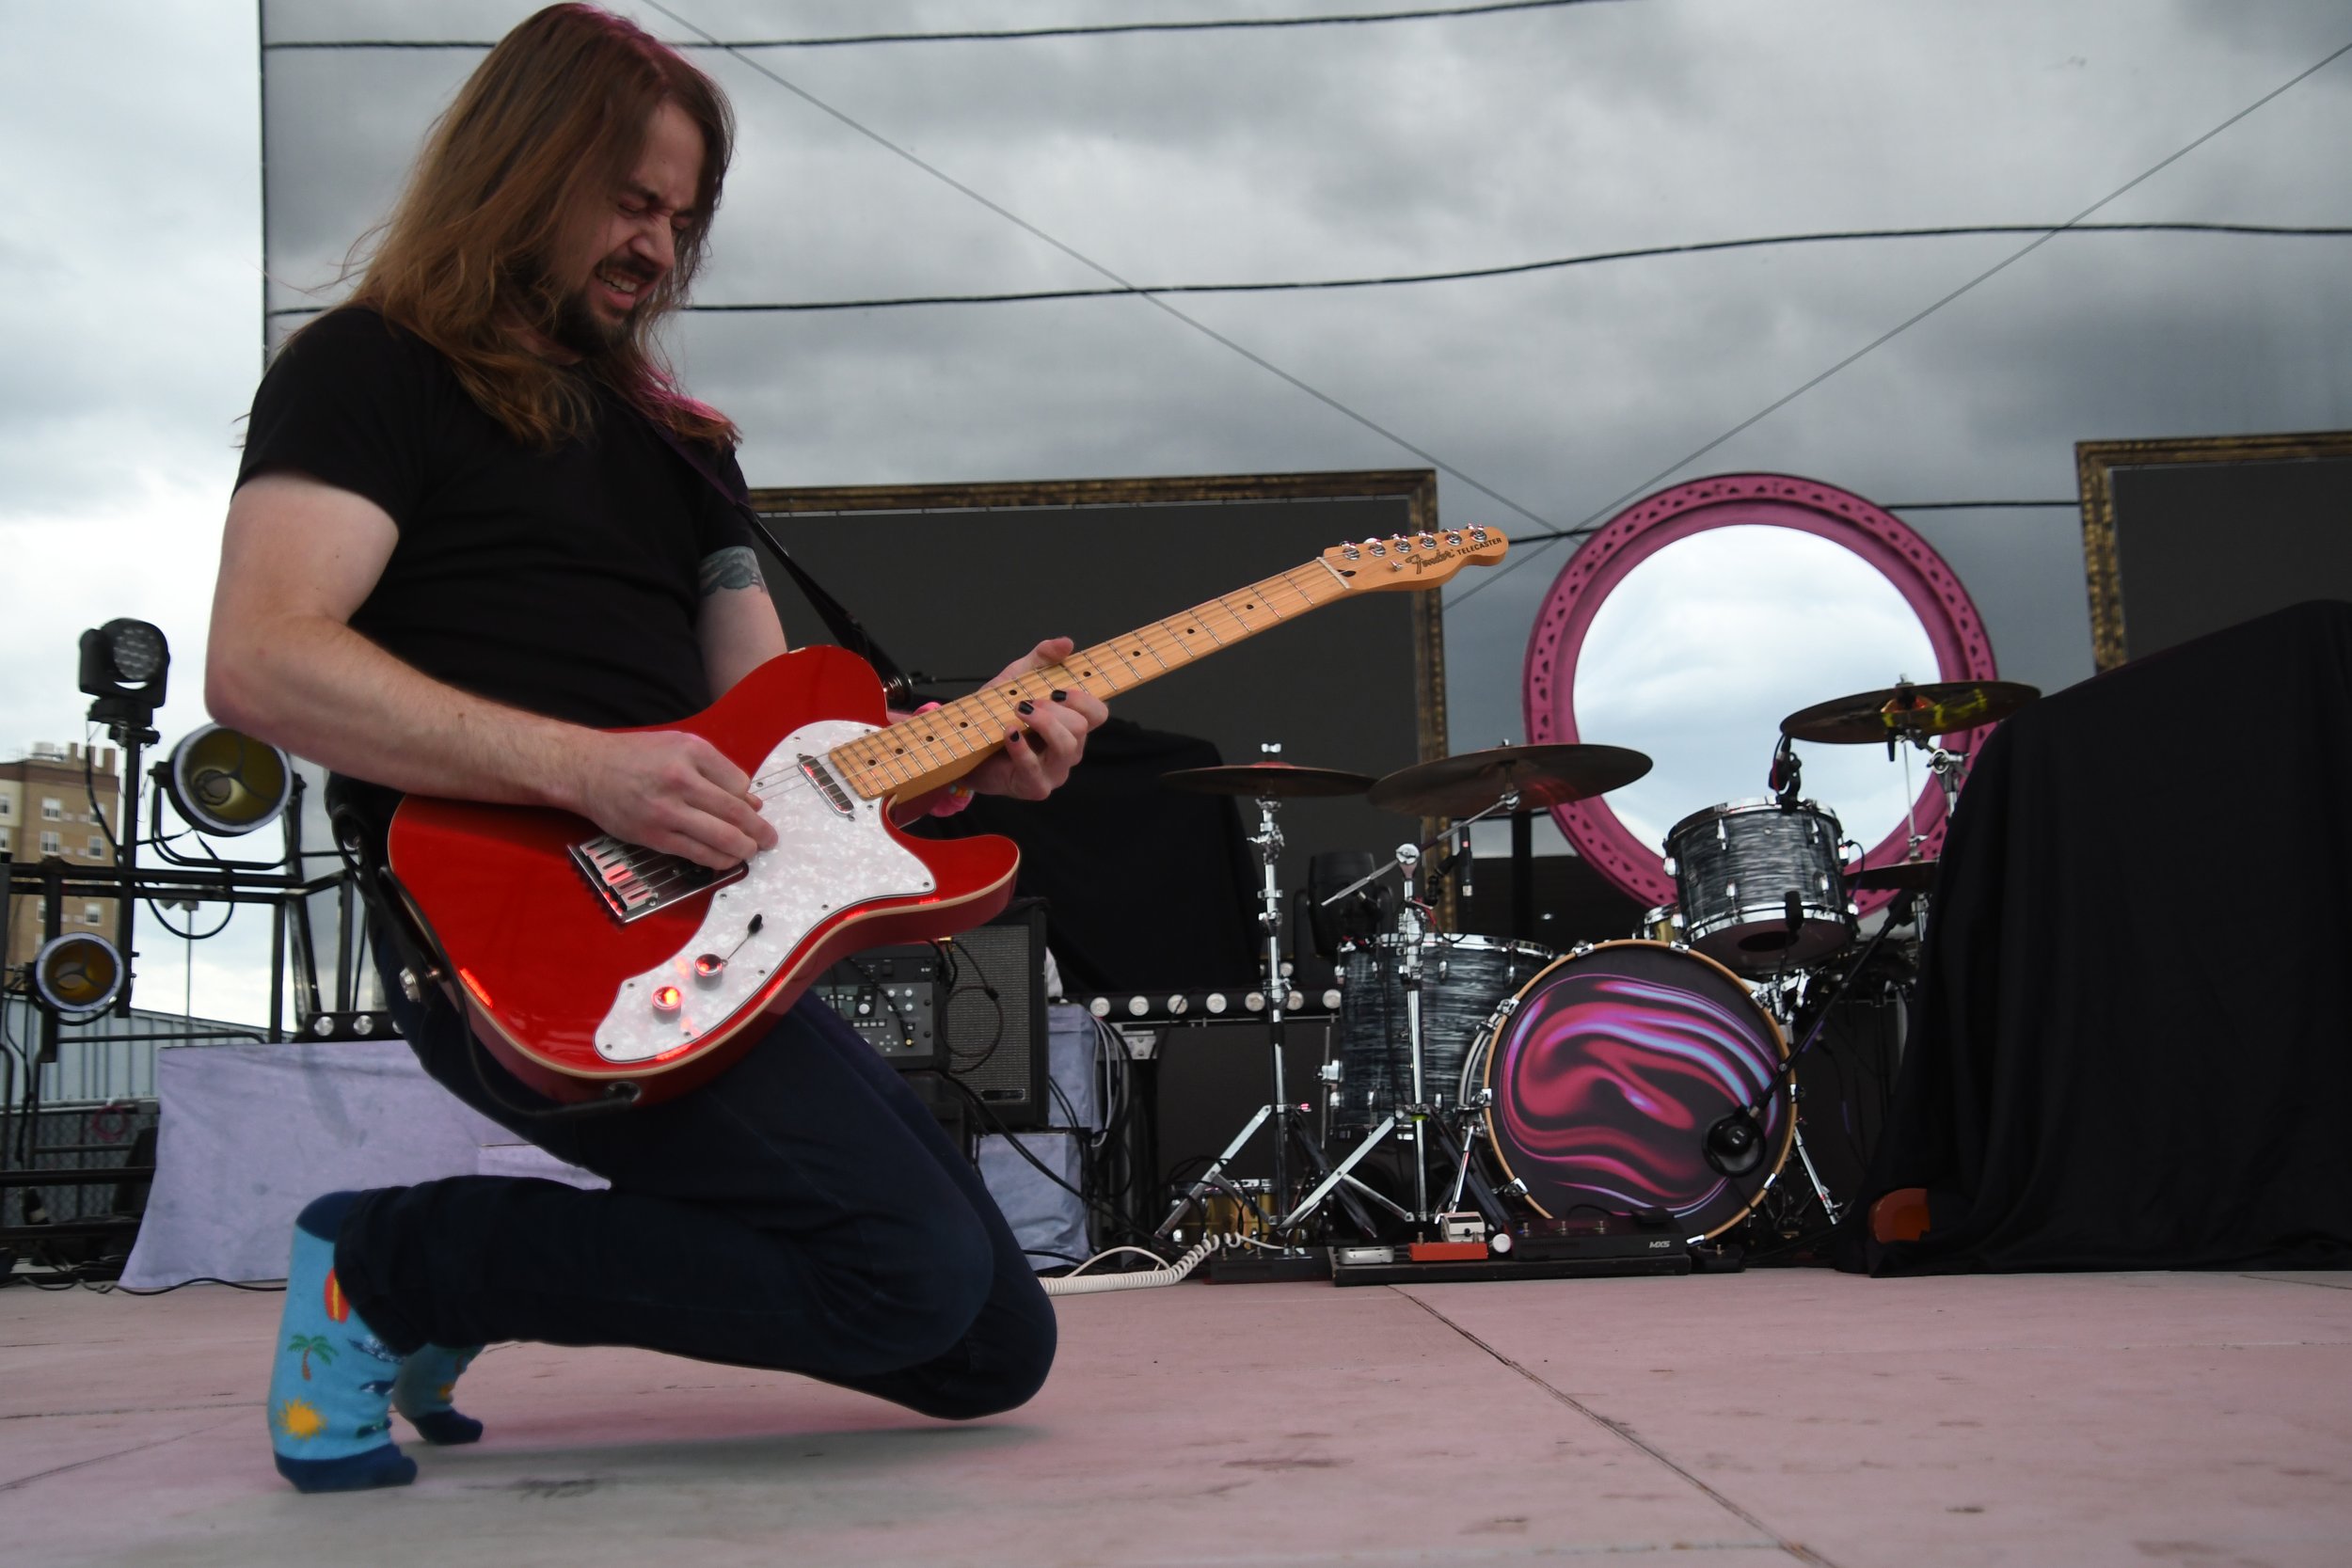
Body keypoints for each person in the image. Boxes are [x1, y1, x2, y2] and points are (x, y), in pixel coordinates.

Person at [207, 4, 1106, 1494]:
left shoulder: (679, 441)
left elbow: (785, 748)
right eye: (631, 202)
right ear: (521, 168)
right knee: (907, 1279)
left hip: (705, 932)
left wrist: (949, 763)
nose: (656, 246)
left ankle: (467, 1275)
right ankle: (395, 1263)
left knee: (985, 1347)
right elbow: (262, 656)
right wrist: (585, 768)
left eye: (681, 220)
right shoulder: (366, 369)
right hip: (508, 931)